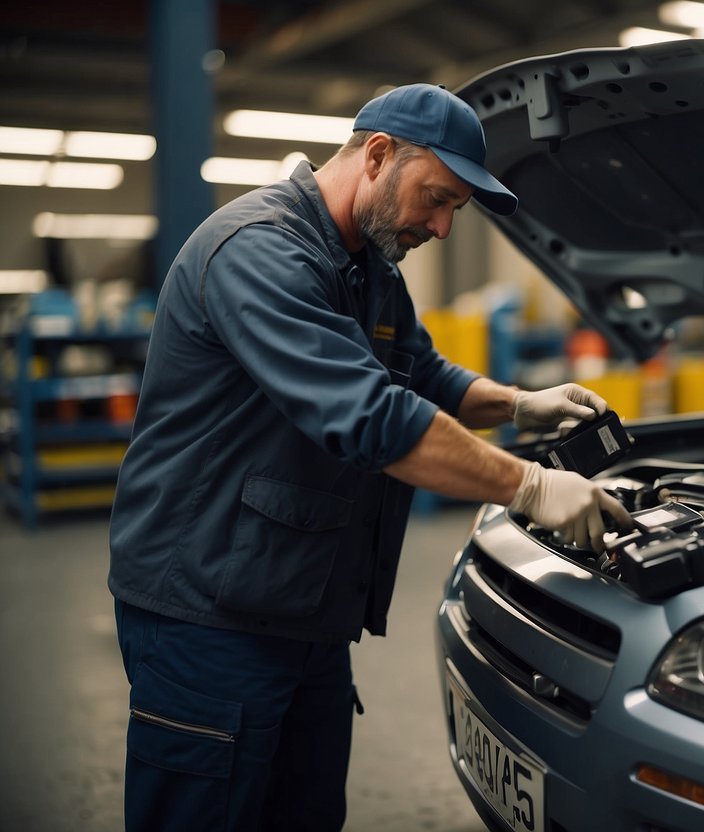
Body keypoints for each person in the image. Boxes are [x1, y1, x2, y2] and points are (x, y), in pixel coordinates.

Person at [108, 83, 632, 831]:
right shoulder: (259, 251)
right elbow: (372, 417)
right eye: (437, 198)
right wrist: (530, 484)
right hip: (207, 614)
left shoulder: (371, 271)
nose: (444, 227)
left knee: (305, 814)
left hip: (301, 604)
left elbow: (421, 372)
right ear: (378, 155)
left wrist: (519, 402)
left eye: (455, 209)